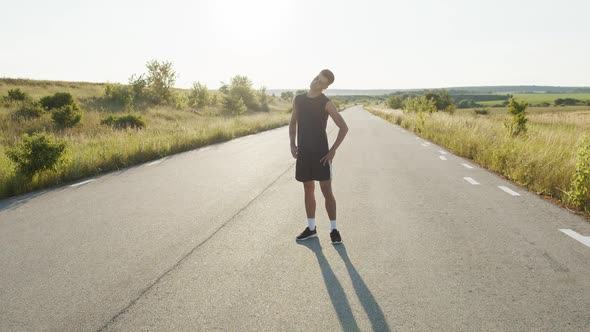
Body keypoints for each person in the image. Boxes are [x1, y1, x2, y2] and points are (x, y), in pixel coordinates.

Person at [289, 69, 349, 244]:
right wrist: (292, 144)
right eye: (316, 78)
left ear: (326, 86)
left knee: (326, 192)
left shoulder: (326, 103)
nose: (316, 82)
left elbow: (343, 127)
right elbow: (293, 123)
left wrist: (333, 150)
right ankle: (311, 228)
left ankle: (334, 229)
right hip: (304, 154)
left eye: (321, 82)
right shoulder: (298, 99)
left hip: (322, 155)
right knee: (308, 190)